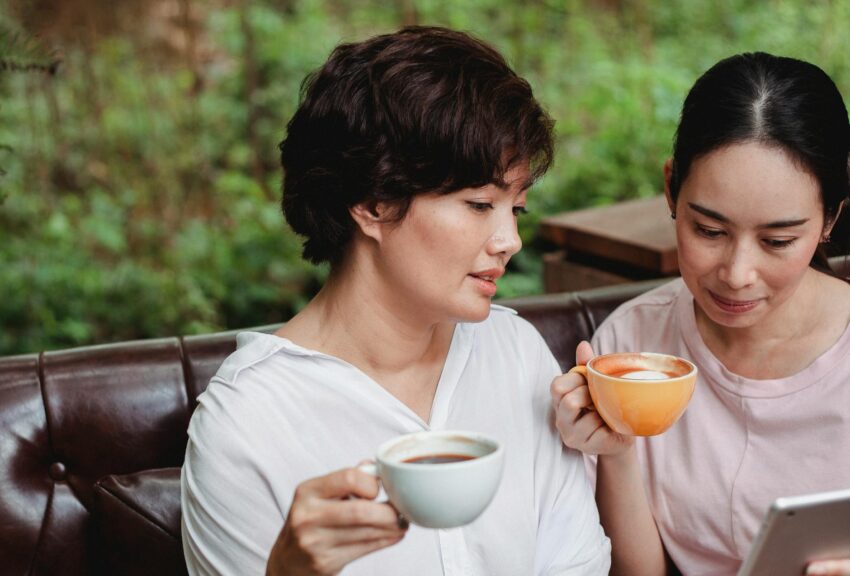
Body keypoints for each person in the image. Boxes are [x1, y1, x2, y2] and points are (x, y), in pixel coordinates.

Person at [181, 26, 611, 575]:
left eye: (516, 208)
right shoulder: (249, 420)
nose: (510, 240)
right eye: (480, 204)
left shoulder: (513, 352)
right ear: (374, 203)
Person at [551, 51, 850, 576]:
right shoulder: (630, 342)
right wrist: (616, 451)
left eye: (778, 240)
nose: (736, 273)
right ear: (670, 189)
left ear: (831, 218)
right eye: (709, 231)